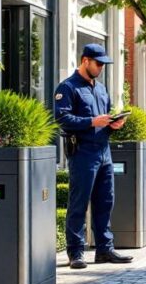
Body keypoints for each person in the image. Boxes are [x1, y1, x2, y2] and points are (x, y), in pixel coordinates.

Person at [54, 43, 133, 270]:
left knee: (105, 201)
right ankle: (76, 252)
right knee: (79, 202)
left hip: (103, 151)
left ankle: (104, 249)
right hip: (82, 152)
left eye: (103, 65)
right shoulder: (68, 87)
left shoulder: (101, 89)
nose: (101, 68)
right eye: (98, 63)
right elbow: (62, 119)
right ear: (85, 60)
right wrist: (91, 122)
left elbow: (104, 122)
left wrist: (114, 125)